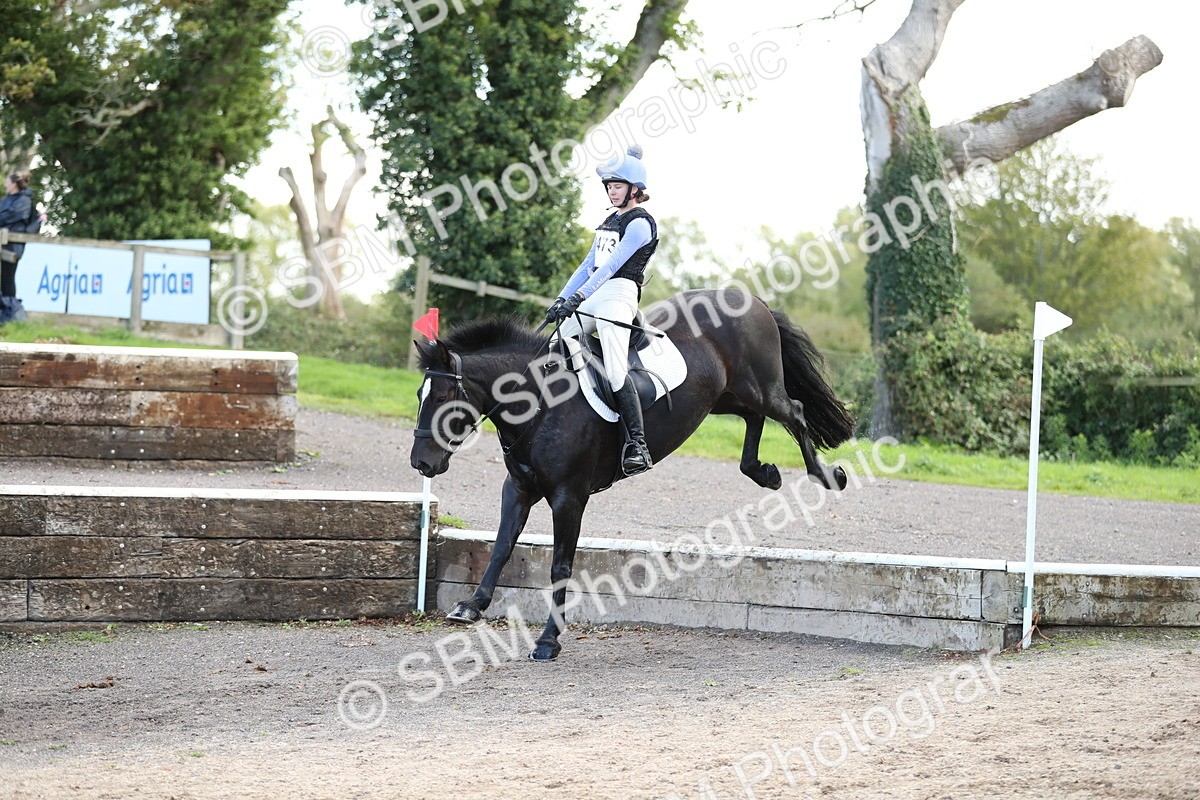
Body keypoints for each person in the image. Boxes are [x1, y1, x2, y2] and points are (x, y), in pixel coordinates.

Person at [547, 145, 659, 476]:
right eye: (609, 185)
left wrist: (579, 296)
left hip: (618, 295)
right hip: (593, 293)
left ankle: (637, 444)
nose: (612, 190)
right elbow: (588, 265)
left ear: (634, 189)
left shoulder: (641, 223)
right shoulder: (610, 221)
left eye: (617, 185)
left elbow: (611, 266)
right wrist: (561, 299)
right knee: (554, 345)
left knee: (614, 369)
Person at [0, 171, 35, 323]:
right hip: (3, 242)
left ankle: (10, 312)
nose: (5, 184)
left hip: (12, 246)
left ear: (14, 184)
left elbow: (9, 217)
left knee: (7, 279)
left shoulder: (24, 201)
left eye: (7, 182)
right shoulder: (6, 200)